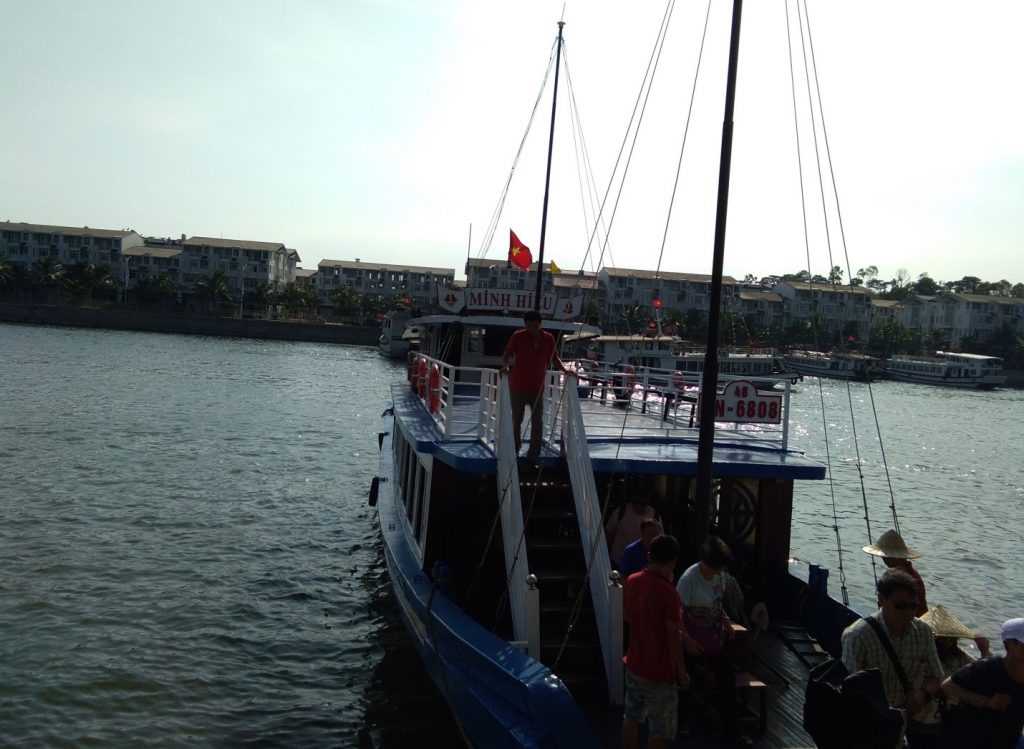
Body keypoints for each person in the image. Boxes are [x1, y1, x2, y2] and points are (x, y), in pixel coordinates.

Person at [840, 568, 943, 747]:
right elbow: (849, 690)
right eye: (900, 606)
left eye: (913, 606)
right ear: (881, 600)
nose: (909, 613)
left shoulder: (924, 632)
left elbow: (936, 675)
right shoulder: (857, 636)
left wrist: (922, 696)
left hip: (899, 724)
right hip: (863, 725)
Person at [622, 534, 690, 749]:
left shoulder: (632, 581)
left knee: (631, 715)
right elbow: (673, 637)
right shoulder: (669, 593)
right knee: (659, 728)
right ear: (672, 562)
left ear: (649, 556)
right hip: (659, 671)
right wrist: (682, 671)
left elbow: (626, 616)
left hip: (635, 662)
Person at [675, 535, 741, 743]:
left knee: (727, 681)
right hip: (692, 635)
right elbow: (676, 613)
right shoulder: (688, 580)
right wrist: (686, 639)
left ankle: (733, 732)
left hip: (715, 632)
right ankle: (679, 724)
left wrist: (727, 622)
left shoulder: (720, 576)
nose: (719, 573)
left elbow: (717, 602)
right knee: (686, 680)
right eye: (716, 568)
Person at [940, 617, 1024, 749]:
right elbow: (948, 685)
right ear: (1008, 643)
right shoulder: (987, 666)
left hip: (1008, 740)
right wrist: (985, 701)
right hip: (972, 738)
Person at [911, 605, 992, 741]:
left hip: (943, 721)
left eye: (951, 639)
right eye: (942, 639)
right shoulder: (917, 653)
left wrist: (985, 651)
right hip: (915, 716)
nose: (947, 643)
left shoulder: (957, 656)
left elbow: (981, 673)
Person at [500, 309, 571, 462]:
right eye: (529, 326)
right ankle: (514, 450)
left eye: (535, 326)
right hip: (517, 387)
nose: (532, 329)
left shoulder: (548, 338)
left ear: (540, 324)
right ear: (525, 325)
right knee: (516, 422)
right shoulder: (518, 336)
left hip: (537, 389)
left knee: (538, 423)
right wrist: (505, 366)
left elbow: (554, 358)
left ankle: (534, 455)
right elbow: (506, 354)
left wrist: (565, 370)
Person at [863, 529, 928, 616]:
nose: (883, 559)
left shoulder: (905, 579)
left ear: (890, 557)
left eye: (884, 556)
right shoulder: (909, 573)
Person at [605, 495, 659, 570]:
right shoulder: (621, 512)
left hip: (645, 563)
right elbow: (608, 533)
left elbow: (660, 538)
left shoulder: (654, 515)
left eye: (643, 504)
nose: (639, 506)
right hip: (617, 560)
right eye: (636, 503)